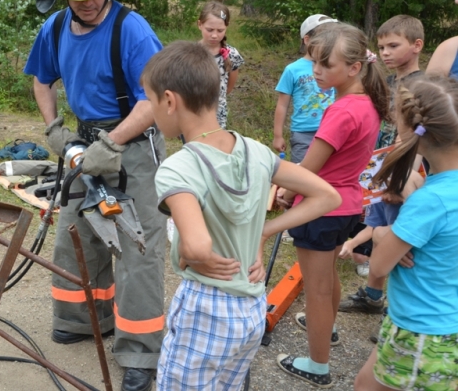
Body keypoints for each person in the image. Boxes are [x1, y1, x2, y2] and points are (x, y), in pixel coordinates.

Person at [143, 41, 341, 391]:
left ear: (170, 101)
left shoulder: (178, 168)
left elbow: (198, 244)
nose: (152, 109)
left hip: (206, 309)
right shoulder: (257, 151)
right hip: (250, 307)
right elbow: (327, 195)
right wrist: (266, 231)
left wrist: (190, 255)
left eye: (151, 100)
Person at [25, 0, 166, 391]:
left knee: (135, 245)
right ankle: (84, 320)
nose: (87, 5)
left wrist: (114, 142)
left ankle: (141, 351)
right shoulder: (55, 28)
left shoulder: (132, 29)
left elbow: (154, 100)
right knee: (77, 234)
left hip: (133, 143)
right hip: (85, 144)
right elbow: (42, 80)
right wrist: (54, 131)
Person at [276, 23, 388, 387]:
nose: (316, 72)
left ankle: (317, 364)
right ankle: (328, 329)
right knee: (325, 284)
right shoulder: (367, 103)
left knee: (317, 289)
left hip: (322, 208)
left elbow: (310, 167)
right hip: (347, 205)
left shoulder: (341, 111)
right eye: (314, 63)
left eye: (326, 65)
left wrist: (285, 190)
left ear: (354, 68)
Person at [354, 75, 458, 391]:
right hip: (444, 321)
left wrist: (382, 235)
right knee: (364, 384)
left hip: (421, 329)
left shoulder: (430, 201)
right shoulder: (435, 194)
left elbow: (379, 266)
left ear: (412, 133)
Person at [339, 15, 425, 316]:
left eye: (393, 45)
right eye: (381, 47)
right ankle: (373, 296)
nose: (386, 52)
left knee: (400, 239)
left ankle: (408, 312)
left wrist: (401, 176)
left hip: (405, 172)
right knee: (378, 224)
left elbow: (417, 137)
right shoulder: (387, 80)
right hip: (381, 164)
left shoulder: (422, 86)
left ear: (417, 46)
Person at [272, 14, 337, 163]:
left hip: (331, 129)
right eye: (324, 40)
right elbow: (282, 104)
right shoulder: (293, 69)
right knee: (302, 174)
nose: (329, 46)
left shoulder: (334, 67)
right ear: (307, 40)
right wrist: (277, 135)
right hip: (303, 133)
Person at [197, 1, 244, 128]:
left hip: (217, 115)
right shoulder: (189, 54)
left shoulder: (232, 54)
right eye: (209, 30)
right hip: (192, 112)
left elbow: (228, 88)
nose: (214, 35)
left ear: (226, 27)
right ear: (199, 24)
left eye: (220, 30)